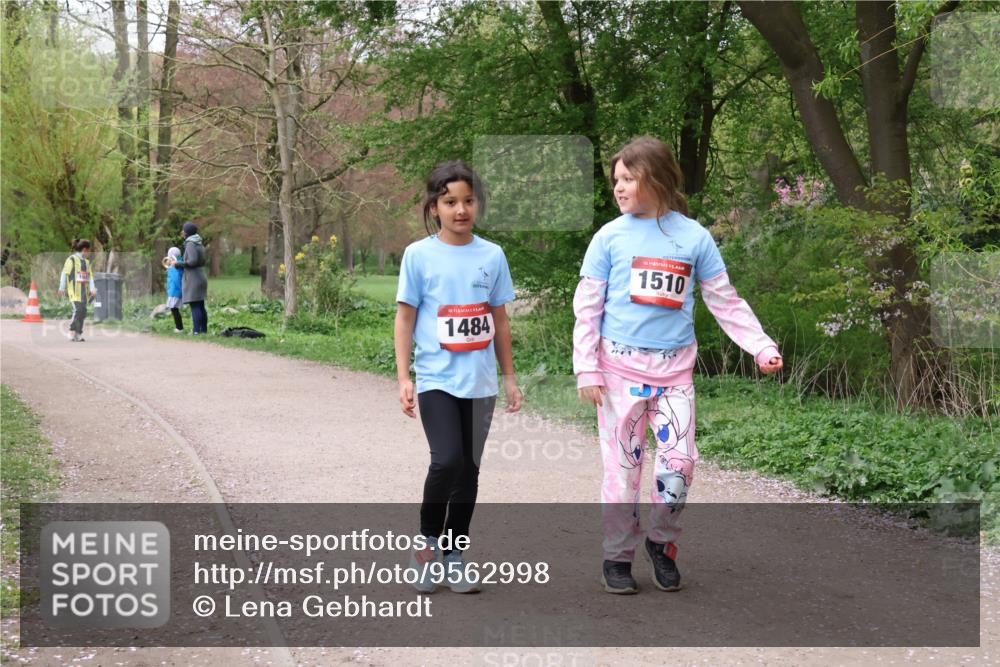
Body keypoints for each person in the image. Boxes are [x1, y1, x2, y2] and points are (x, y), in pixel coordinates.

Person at [573, 136, 783, 594]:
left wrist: (759, 345)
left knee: (680, 464)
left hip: (674, 377)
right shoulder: (608, 237)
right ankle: (617, 556)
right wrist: (586, 368)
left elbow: (724, 300)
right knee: (623, 471)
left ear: (657, 178)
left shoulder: (694, 237)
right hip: (618, 375)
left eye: (628, 178)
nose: (619, 187)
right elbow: (587, 308)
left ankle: (661, 541)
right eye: (616, 180)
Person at [394, 160, 523, 594]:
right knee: (446, 461)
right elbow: (405, 318)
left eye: (468, 201)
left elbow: (499, 321)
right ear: (435, 207)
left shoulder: (492, 255)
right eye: (450, 202)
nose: (461, 209)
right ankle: (427, 546)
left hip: (480, 381)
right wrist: (404, 376)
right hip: (436, 379)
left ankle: (454, 556)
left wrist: (509, 377)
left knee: (468, 472)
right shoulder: (418, 255)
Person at [170, 221, 208, 334]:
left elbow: (192, 261)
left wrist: (177, 264)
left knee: (195, 305)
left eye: (183, 230)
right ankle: (203, 331)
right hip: (201, 275)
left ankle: (196, 331)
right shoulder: (199, 242)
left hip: (193, 278)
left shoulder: (190, 244)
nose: (182, 232)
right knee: (200, 305)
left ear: (187, 232)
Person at [57, 238, 97, 342]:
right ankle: (72, 330)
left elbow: (90, 277)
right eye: (89, 251)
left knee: (83, 312)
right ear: (84, 250)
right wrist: (62, 287)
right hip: (74, 292)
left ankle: (78, 333)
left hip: (84, 293)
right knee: (78, 310)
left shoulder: (87, 263)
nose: (90, 253)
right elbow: (64, 273)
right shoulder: (71, 260)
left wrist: (92, 288)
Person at [166, 246, 184, 333]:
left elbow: (175, 279)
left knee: (174, 308)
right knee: (174, 308)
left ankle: (179, 328)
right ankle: (179, 327)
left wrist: (172, 290)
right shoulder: (178, 264)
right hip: (174, 290)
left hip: (175, 290)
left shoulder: (176, 265)